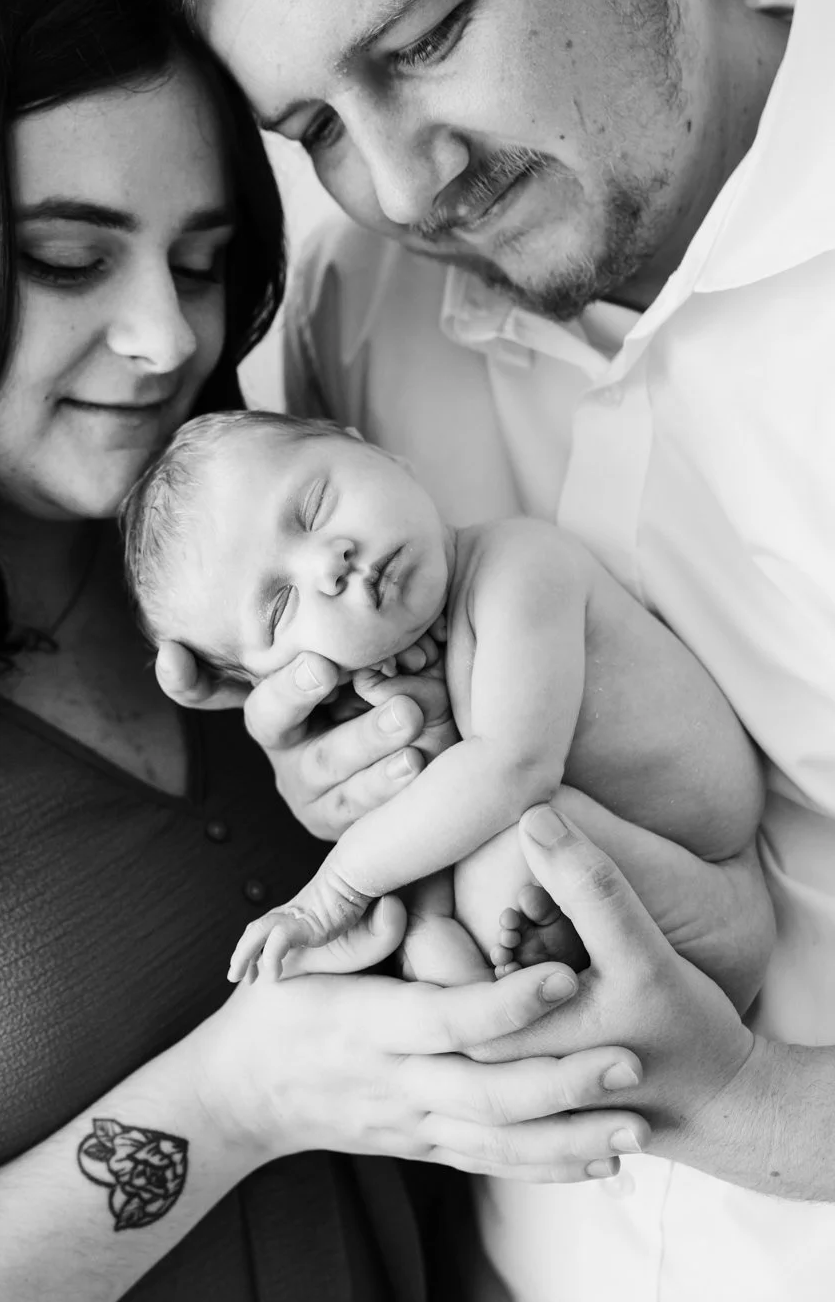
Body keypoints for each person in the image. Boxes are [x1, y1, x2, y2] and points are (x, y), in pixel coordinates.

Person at [0, 0, 661, 1302]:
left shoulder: (283, 558)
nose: (169, 340)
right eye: (68, 260)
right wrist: (238, 1098)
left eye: (206, 260)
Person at [130, 0, 835, 1302]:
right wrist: (340, 781)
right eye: (316, 123)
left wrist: (738, 1102)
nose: (400, 183)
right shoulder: (353, 311)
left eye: (427, 39)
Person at [122, 407, 767, 995]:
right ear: (280, 679)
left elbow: (511, 767)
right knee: (423, 932)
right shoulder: (397, 680)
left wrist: (332, 894)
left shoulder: (520, 567)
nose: (329, 563)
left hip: (711, 902)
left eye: (316, 505)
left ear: (376, 451)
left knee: (514, 832)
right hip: (628, 929)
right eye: (282, 606)